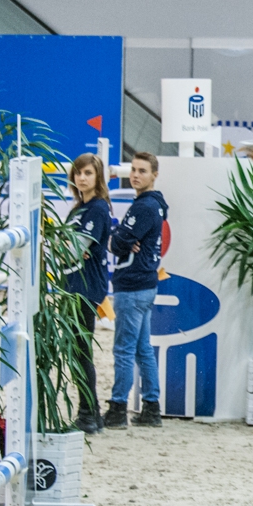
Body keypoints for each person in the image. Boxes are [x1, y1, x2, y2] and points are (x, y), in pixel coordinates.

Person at [105, 152, 169, 429]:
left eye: (142, 171)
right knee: (142, 349)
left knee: (124, 349)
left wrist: (118, 239)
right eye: (133, 170)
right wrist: (121, 239)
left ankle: (118, 409)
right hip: (145, 284)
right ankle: (151, 407)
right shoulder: (155, 205)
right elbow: (122, 240)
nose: (135, 175)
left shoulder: (143, 207)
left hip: (131, 285)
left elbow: (117, 244)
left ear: (154, 174)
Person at [65, 154, 112, 434]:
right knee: (78, 352)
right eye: (78, 173)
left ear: (98, 178)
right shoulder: (77, 209)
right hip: (73, 286)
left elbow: (72, 248)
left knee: (81, 353)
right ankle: (93, 413)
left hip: (84, 289)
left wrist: (62, 247)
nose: (82, 178)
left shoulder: (97, 209)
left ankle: (87, 415)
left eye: (88, 173)